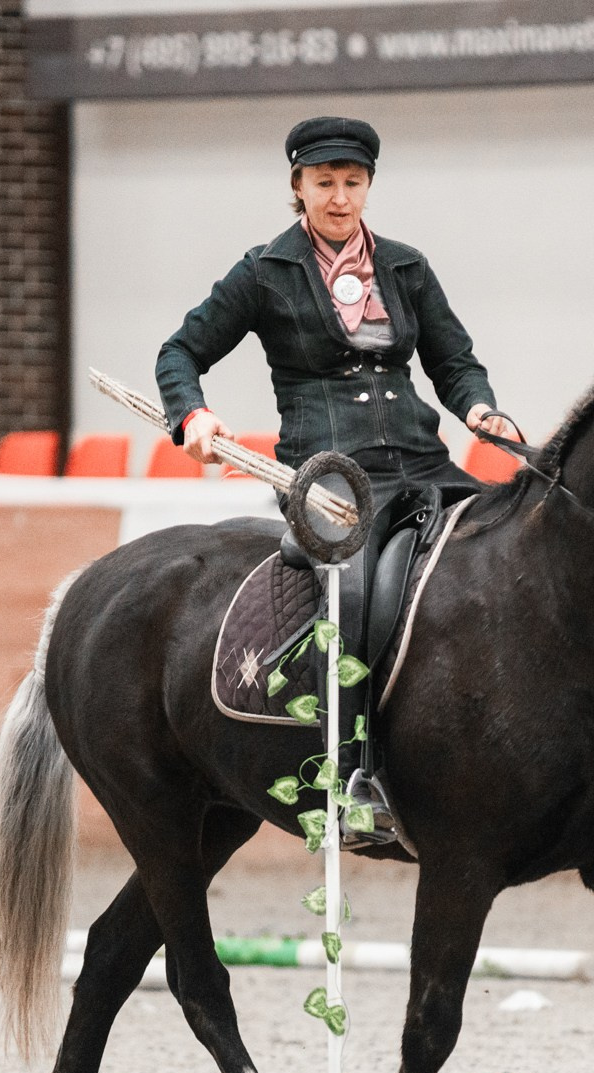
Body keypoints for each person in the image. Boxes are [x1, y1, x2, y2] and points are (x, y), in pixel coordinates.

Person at [156, 115, 520, 847]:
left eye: (353, 183)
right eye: (325, 183)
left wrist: (480, 405)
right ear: (298, 186)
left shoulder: (407, 266)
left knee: (506, 558)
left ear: (368, 187)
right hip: (330, 478)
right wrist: (192, 416)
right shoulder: (265, 271)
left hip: (424, 463)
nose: (340, 197)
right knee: (351, 590)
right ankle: (353, 773)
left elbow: (453, 360)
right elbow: (180, 351)